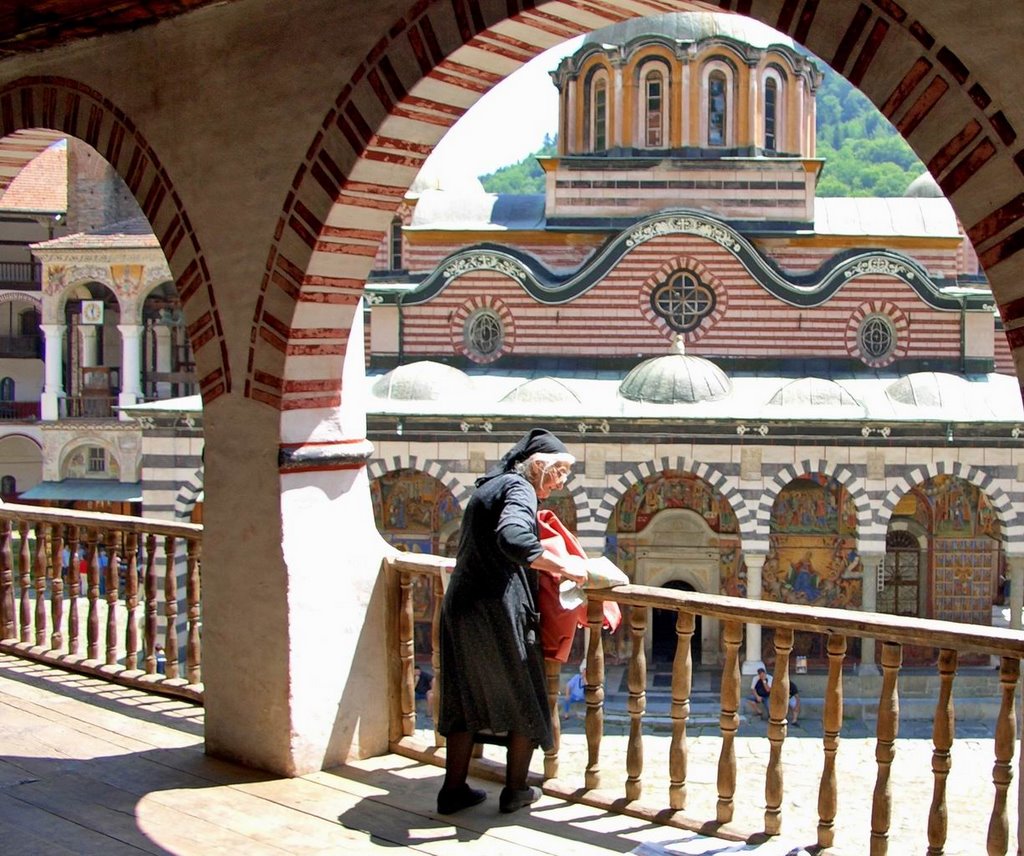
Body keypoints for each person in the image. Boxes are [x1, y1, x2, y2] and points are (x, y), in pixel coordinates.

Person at [436, 428, 587, 816]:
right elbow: (515, 538)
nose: (559, 484)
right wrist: (564, 565)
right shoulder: (518, 489)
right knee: (525, 694)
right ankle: (515, 790)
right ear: (539, 466)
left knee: (464, 695)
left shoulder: (491, 486)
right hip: (496, 610)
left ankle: (452, 791)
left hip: (461, 605)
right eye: (558, 474)